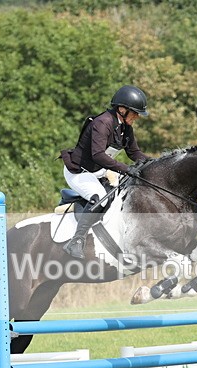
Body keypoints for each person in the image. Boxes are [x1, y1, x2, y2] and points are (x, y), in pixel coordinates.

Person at [60, 85, 149, 259]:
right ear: (122, 110)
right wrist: (126, 169)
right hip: (79, 172)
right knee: (101, 196)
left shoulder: (125, 127)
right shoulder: (102, 123)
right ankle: (76, 240)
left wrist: (153, 164)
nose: (137, 116)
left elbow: (134, 153)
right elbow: (98, 155)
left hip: (98, 172)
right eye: (135, 112)